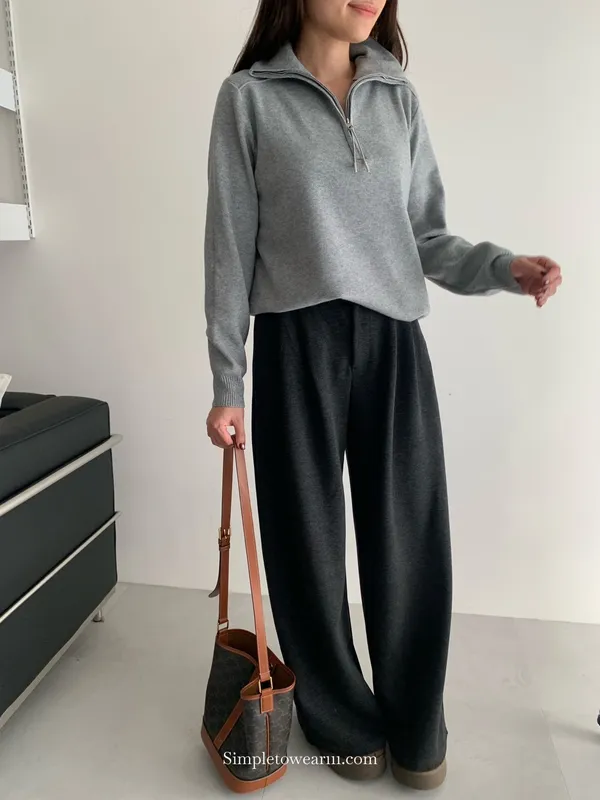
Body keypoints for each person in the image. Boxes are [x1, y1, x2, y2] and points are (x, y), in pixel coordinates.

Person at [203, 0, 562, 791]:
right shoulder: (250, 99)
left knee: (410, 535)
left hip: (394, 341)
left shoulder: (398, 96)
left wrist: (503, 267)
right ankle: (339, 719)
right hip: (295, 340)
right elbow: (229, 248)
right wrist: (228, 381)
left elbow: (425, 235)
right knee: (306, 541)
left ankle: (416, 722)